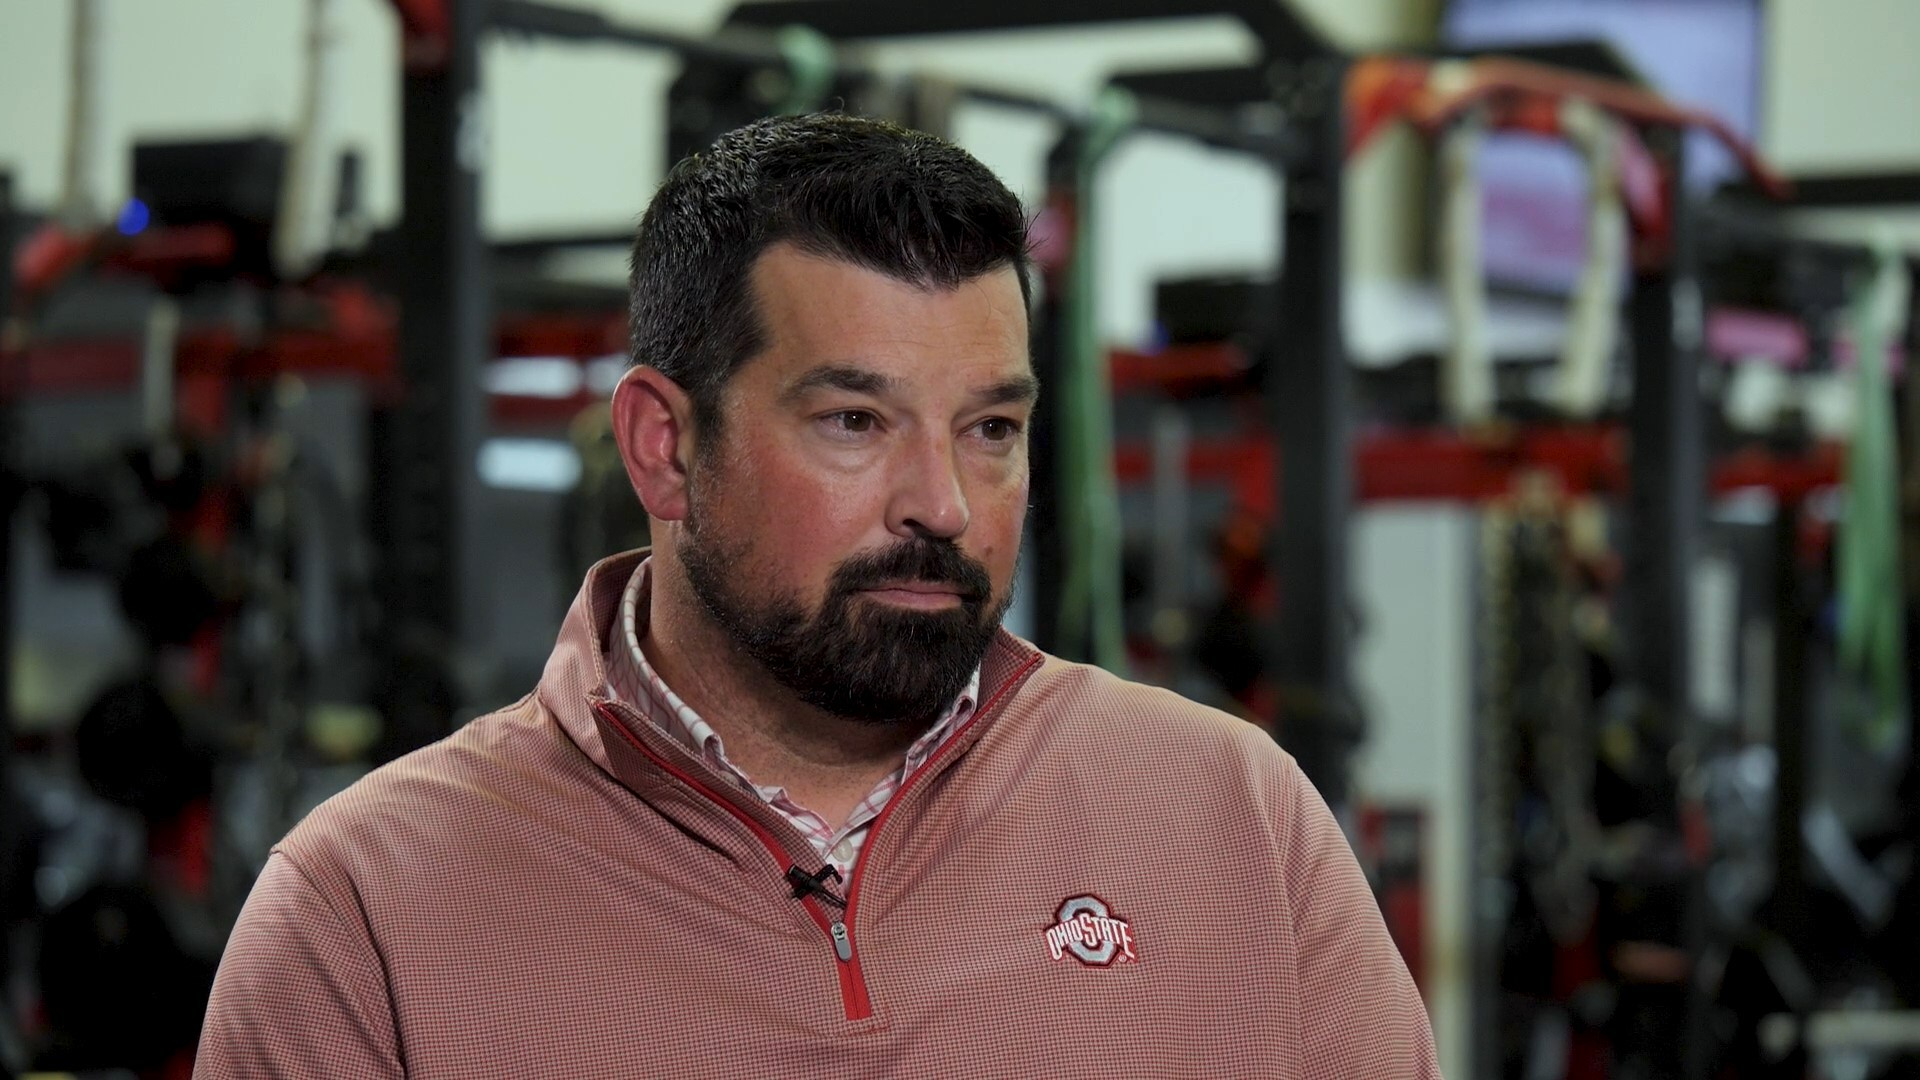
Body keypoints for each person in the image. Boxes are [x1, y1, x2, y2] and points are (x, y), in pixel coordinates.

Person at [195, 112, 1440, 1078]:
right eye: (855, 420)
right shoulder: (367, 912)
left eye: (992, 427)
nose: (942, 503)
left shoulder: (1232, 820)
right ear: (664, 448)